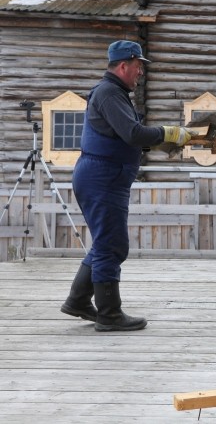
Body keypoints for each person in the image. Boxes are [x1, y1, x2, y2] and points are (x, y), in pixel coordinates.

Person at [60, 40, 193, 331]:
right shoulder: (109, 94)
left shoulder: (114, 93)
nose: (140, 73)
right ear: (123, 66)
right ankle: (109, 314)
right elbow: (132, 133)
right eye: (137, 67)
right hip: (101, 178)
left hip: (104, 177)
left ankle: (79, 301)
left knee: (106, 242)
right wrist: (168, 133)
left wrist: (159, 143)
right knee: (112, 245)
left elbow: (123, 138)